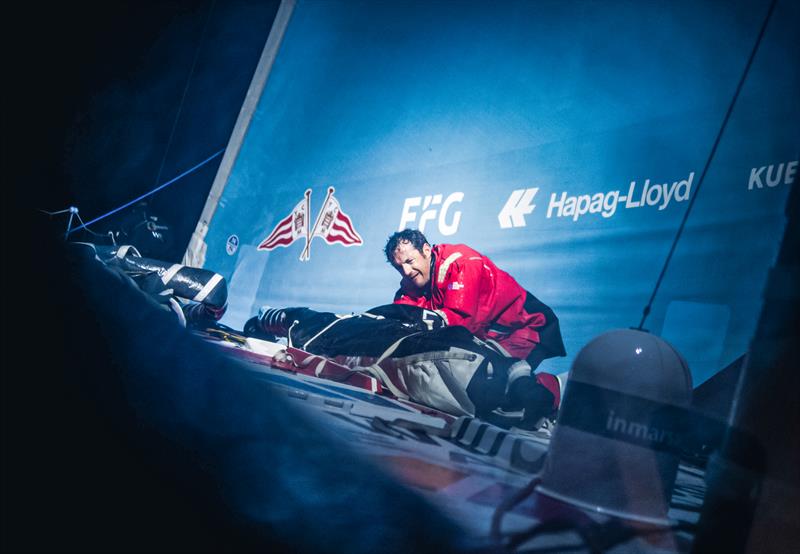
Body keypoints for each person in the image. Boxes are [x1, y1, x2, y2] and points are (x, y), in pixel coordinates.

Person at [385, 228, 567, 423]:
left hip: (526, 327)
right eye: (399, 267)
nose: (406, 271)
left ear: (427, 250)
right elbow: (402, 321)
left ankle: (556, 390)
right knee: (475, 387)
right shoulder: (411, 285)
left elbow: (457, 324)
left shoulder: (461, 263)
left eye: (409, 261)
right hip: (487, 335)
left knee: (497, 390)